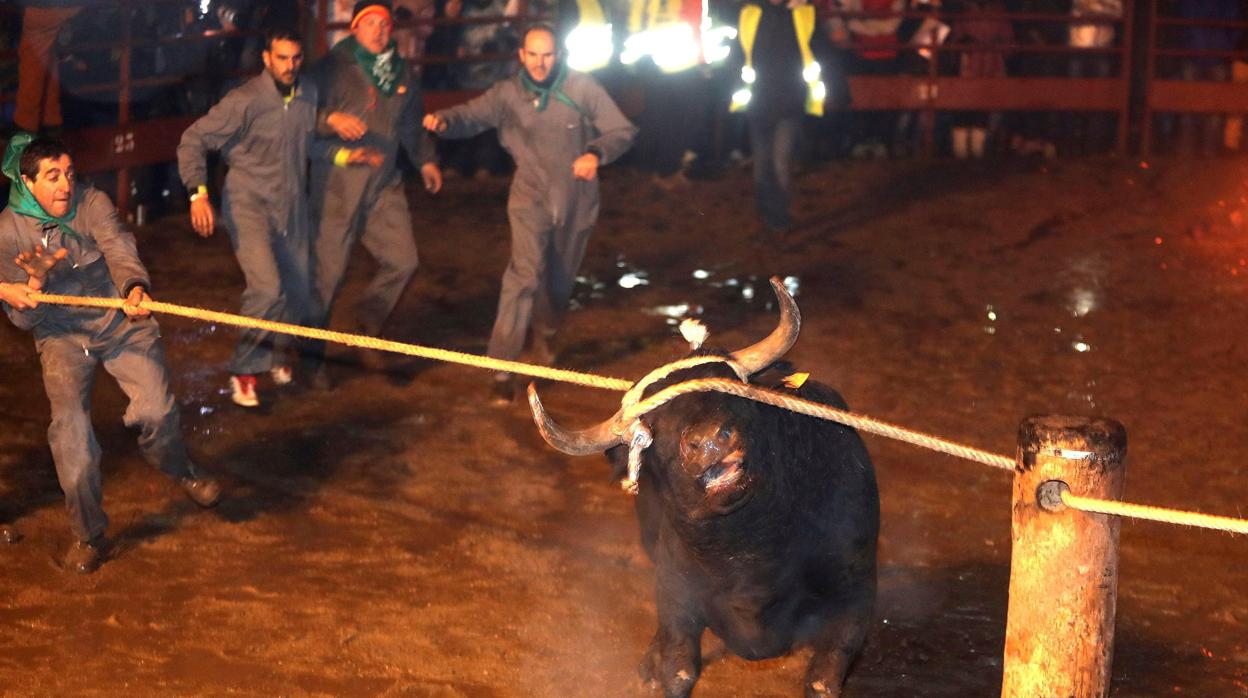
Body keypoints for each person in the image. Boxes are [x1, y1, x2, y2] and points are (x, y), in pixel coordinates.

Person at [0, 134, 222, 574]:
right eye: (52, 177)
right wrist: (36, 288)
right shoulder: (8, 231)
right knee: (71, 433)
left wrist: (133, 288)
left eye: (68, 173)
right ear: (27, 182)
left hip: (121, 321)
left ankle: (180, 468)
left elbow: (119, 246)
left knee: (156, 413)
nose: (65, 185)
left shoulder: (93, 202)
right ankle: (89, 534)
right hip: (61, 335)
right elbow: (23, 320)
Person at [423, 24, 637, 403]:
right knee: (522, 276)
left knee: (556, 283)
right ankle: (503, 368)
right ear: (521, 55)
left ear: (559, 55)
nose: (540, 63)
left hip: (576, 198)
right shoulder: (509, 93)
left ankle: (547, 335)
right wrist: (445, 121)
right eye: (533, 55)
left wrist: (597, 153)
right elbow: (472, 114)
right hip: (529, 195)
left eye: (548, 55)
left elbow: (621, 129)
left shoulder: (581, 88)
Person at [177, 29, 382, 407]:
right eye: (282, 58)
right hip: (249, 203)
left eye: (296, 59)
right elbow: (193, 139)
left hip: (290, 205)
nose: (290, 66)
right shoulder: (245, 101)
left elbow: (308, 145)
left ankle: (273, 354)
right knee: (267, 288)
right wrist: (198, 193)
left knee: (299, 288)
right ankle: (244, 370)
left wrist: (345, 156)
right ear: (267, 59)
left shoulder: (306, 95)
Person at [306, 0, 443, 382]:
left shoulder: (400, 73)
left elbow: (412, 124)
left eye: (384, 24)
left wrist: (427, 160)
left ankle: (366, 323)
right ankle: (310, 357)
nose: (380, 30)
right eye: (370, 23)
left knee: (403, 260)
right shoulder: (330, 68)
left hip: (383, 184)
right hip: (338, 186)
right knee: (327, 276)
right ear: (354, 28)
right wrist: (328, 119)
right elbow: (296, 112)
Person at [731, 0, 827, 237]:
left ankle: (779, 218)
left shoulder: (804, 15)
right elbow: (739, 55)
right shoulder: (750, 14)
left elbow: (822, 51)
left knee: (779, 163)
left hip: (789, 101)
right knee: (762, 166)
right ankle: (768, 215)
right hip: (761, 101)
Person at [13, 1, 81, 135]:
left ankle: (26, 137)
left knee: (32, 67)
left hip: (43, 9)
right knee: (48, 64)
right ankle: (51, 129)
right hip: (65, 9)